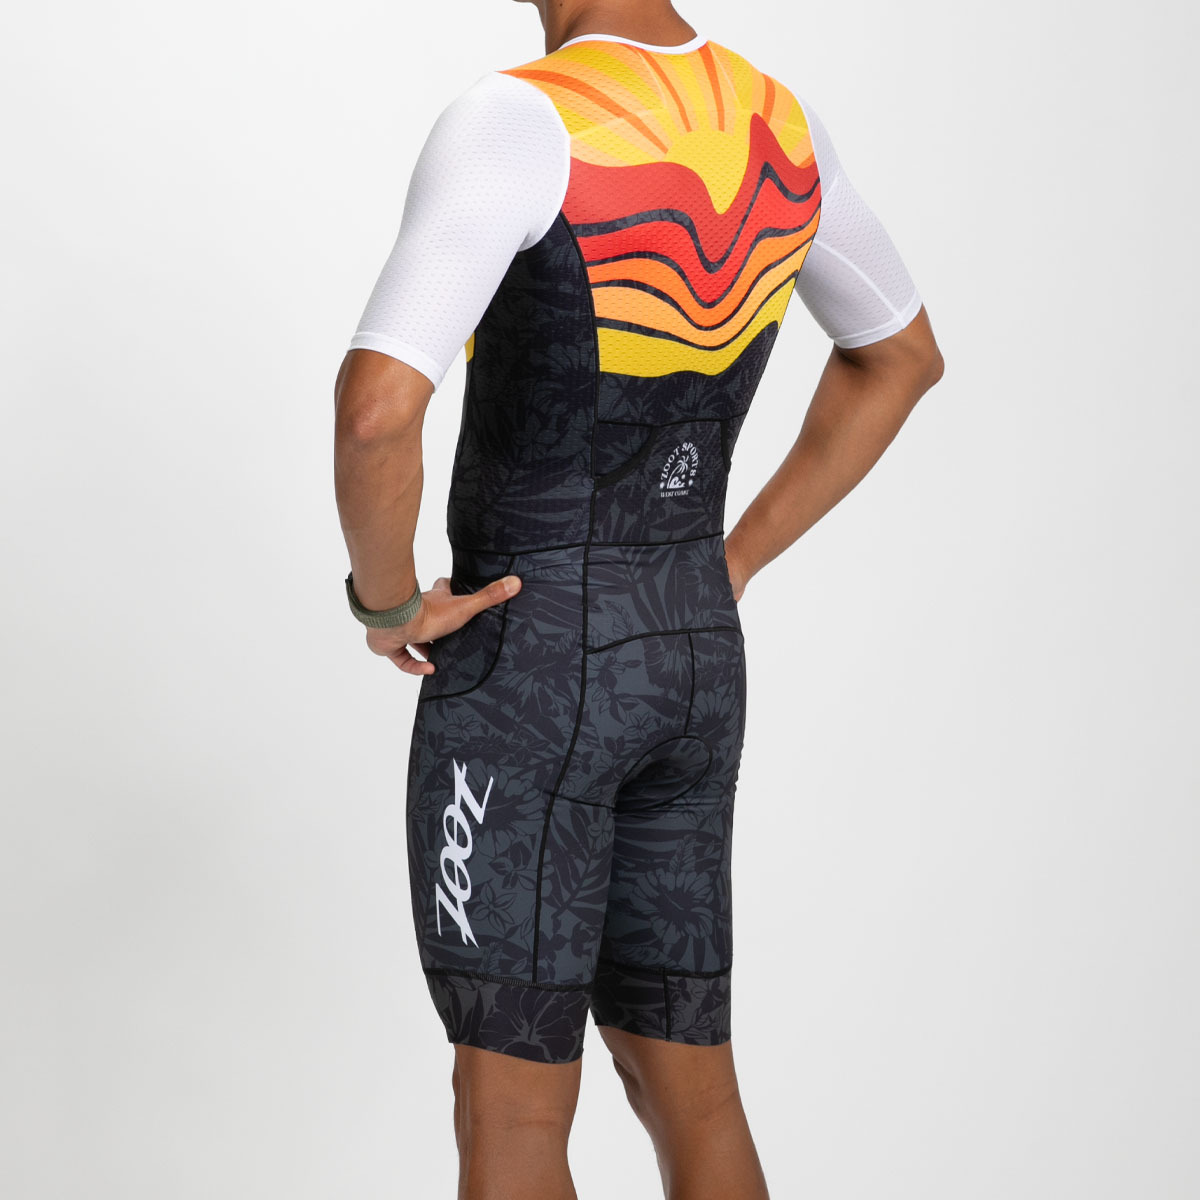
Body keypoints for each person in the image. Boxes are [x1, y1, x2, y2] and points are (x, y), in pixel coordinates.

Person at [333, 1, 945, 1195]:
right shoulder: (778, 122)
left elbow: (375, 411)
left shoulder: (521, 120)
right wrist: (734, 558)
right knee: (691, 1086)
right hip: (694, 651)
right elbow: (903, 355)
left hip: (531, 664)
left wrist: (388, 605)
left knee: (512, 1111)